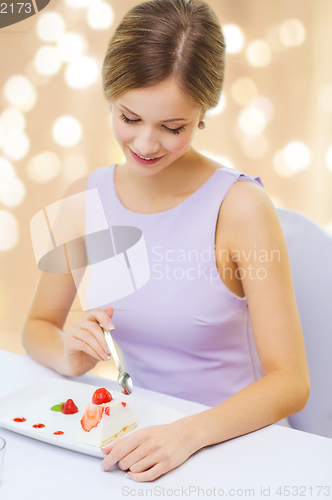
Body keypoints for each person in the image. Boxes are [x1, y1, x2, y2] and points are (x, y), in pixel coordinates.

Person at [22, 0, 310, 482]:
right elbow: (38, 325)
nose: (145, 145)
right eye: (129, 118)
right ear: (110, 98)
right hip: (141, 442)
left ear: (203, 113)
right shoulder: (84, 197)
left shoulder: (240, 207)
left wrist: (188, 433)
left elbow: (291, 383)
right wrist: (69, 353)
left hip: (234, 446)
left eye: (172, 127)